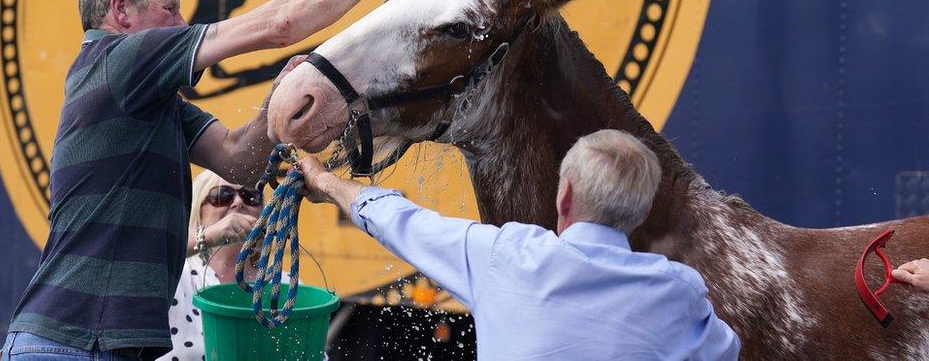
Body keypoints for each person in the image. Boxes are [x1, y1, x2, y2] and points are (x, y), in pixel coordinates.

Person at [1, 0, 460, 361]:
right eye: (170, 9)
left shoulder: (154, 103)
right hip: (70, 344)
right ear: (121, 11)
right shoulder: (121, 59)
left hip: (100, 345)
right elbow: (278, 26)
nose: (183, 24)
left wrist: (276, 101)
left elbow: (239, 160)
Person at [298, 129, 741, 360]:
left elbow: (399, 221)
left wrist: (323, 180)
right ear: (642, 213)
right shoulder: (679, 293)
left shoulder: (504, 257)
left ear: (564, 196)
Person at [157, 170, 271, 361]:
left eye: (250, 196)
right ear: (198, 209)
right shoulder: (175, 274)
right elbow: (137, 253)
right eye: (222, 196)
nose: (238, 202)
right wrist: (207, 237)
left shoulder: (282, 284)